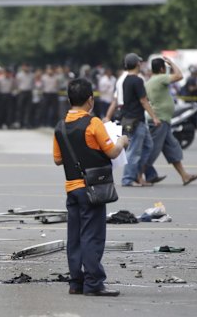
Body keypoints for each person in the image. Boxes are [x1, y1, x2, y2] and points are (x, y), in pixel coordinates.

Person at [53, 78, 128, 296]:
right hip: (92, 189)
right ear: (90, 100)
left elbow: (58, 160)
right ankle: (94, 283)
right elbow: (113, 152)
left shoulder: (60, 126)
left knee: (74, 236)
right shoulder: (93, 123)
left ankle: (76, 282)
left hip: (72, 188)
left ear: (69, 100)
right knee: (92, 236)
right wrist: (122, 141)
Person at [144, 57, 197, 186]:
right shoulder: (160, 78)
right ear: (162, 69)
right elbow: (179, 76)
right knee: (152, 151)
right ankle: (136, 175)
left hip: (163, 120)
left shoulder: (150, 81)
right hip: (160, 120)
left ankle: (184, 176)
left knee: (172, 148)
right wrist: (172, 63)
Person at [120, 53, 160, 187]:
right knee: (134, 151)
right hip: (136, 120)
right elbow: (143, 100)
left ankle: (138, 176)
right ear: (137, 64)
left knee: (148, 146)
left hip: (130, 119)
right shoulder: (137, 81)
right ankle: (127, 178)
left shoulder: (126, 80)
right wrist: (154, 116)